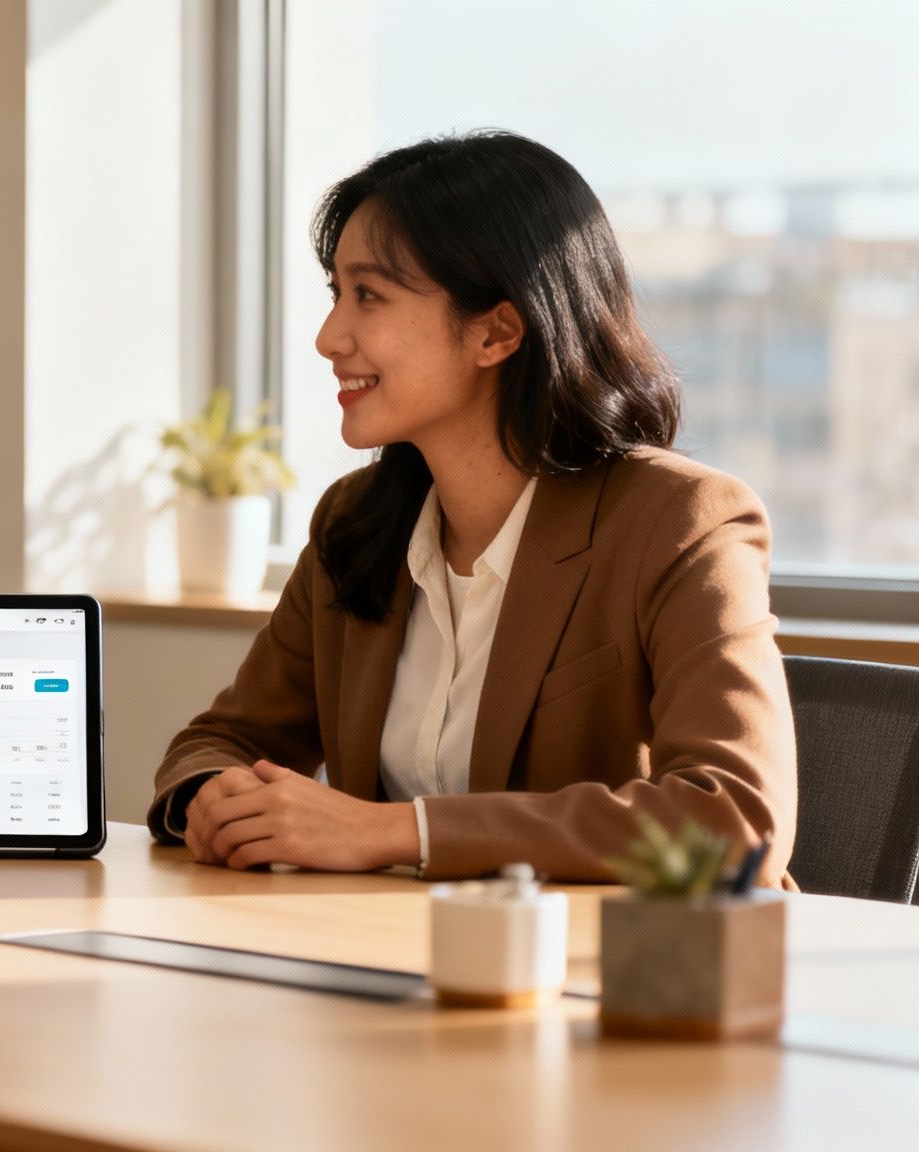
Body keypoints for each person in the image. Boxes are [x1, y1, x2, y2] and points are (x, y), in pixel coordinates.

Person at [149, 131, 796, 886]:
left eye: (370, 295)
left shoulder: (680, 521)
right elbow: (223, 739)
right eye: (335, 294)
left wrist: (397, 832)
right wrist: (213, 796)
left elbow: (736, 820)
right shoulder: (354, 524)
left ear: (497, 331)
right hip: (382, 963)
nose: (330, 337)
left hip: (626, 978)